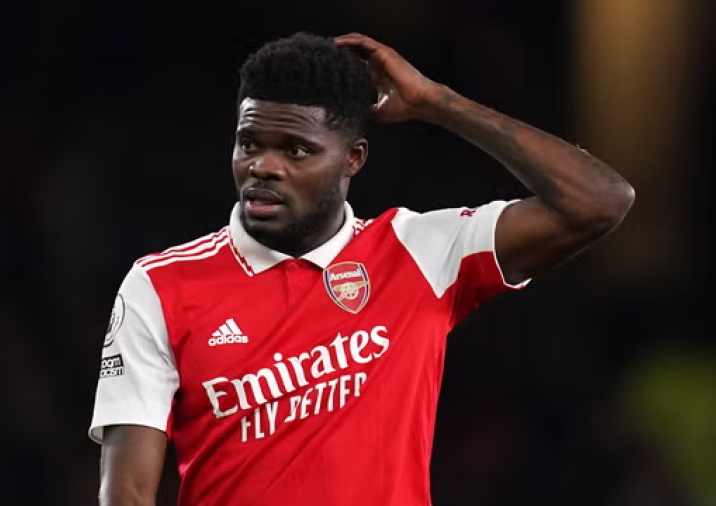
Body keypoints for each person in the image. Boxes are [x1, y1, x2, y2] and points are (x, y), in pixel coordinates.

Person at [89, 32, 634, 506]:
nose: (263, 166)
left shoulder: (421, 251)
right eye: (249, 143)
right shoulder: (160, 285)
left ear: (353, 158)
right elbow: (127, 493)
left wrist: (437, 102)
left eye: (296, 150)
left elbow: (599, 201)